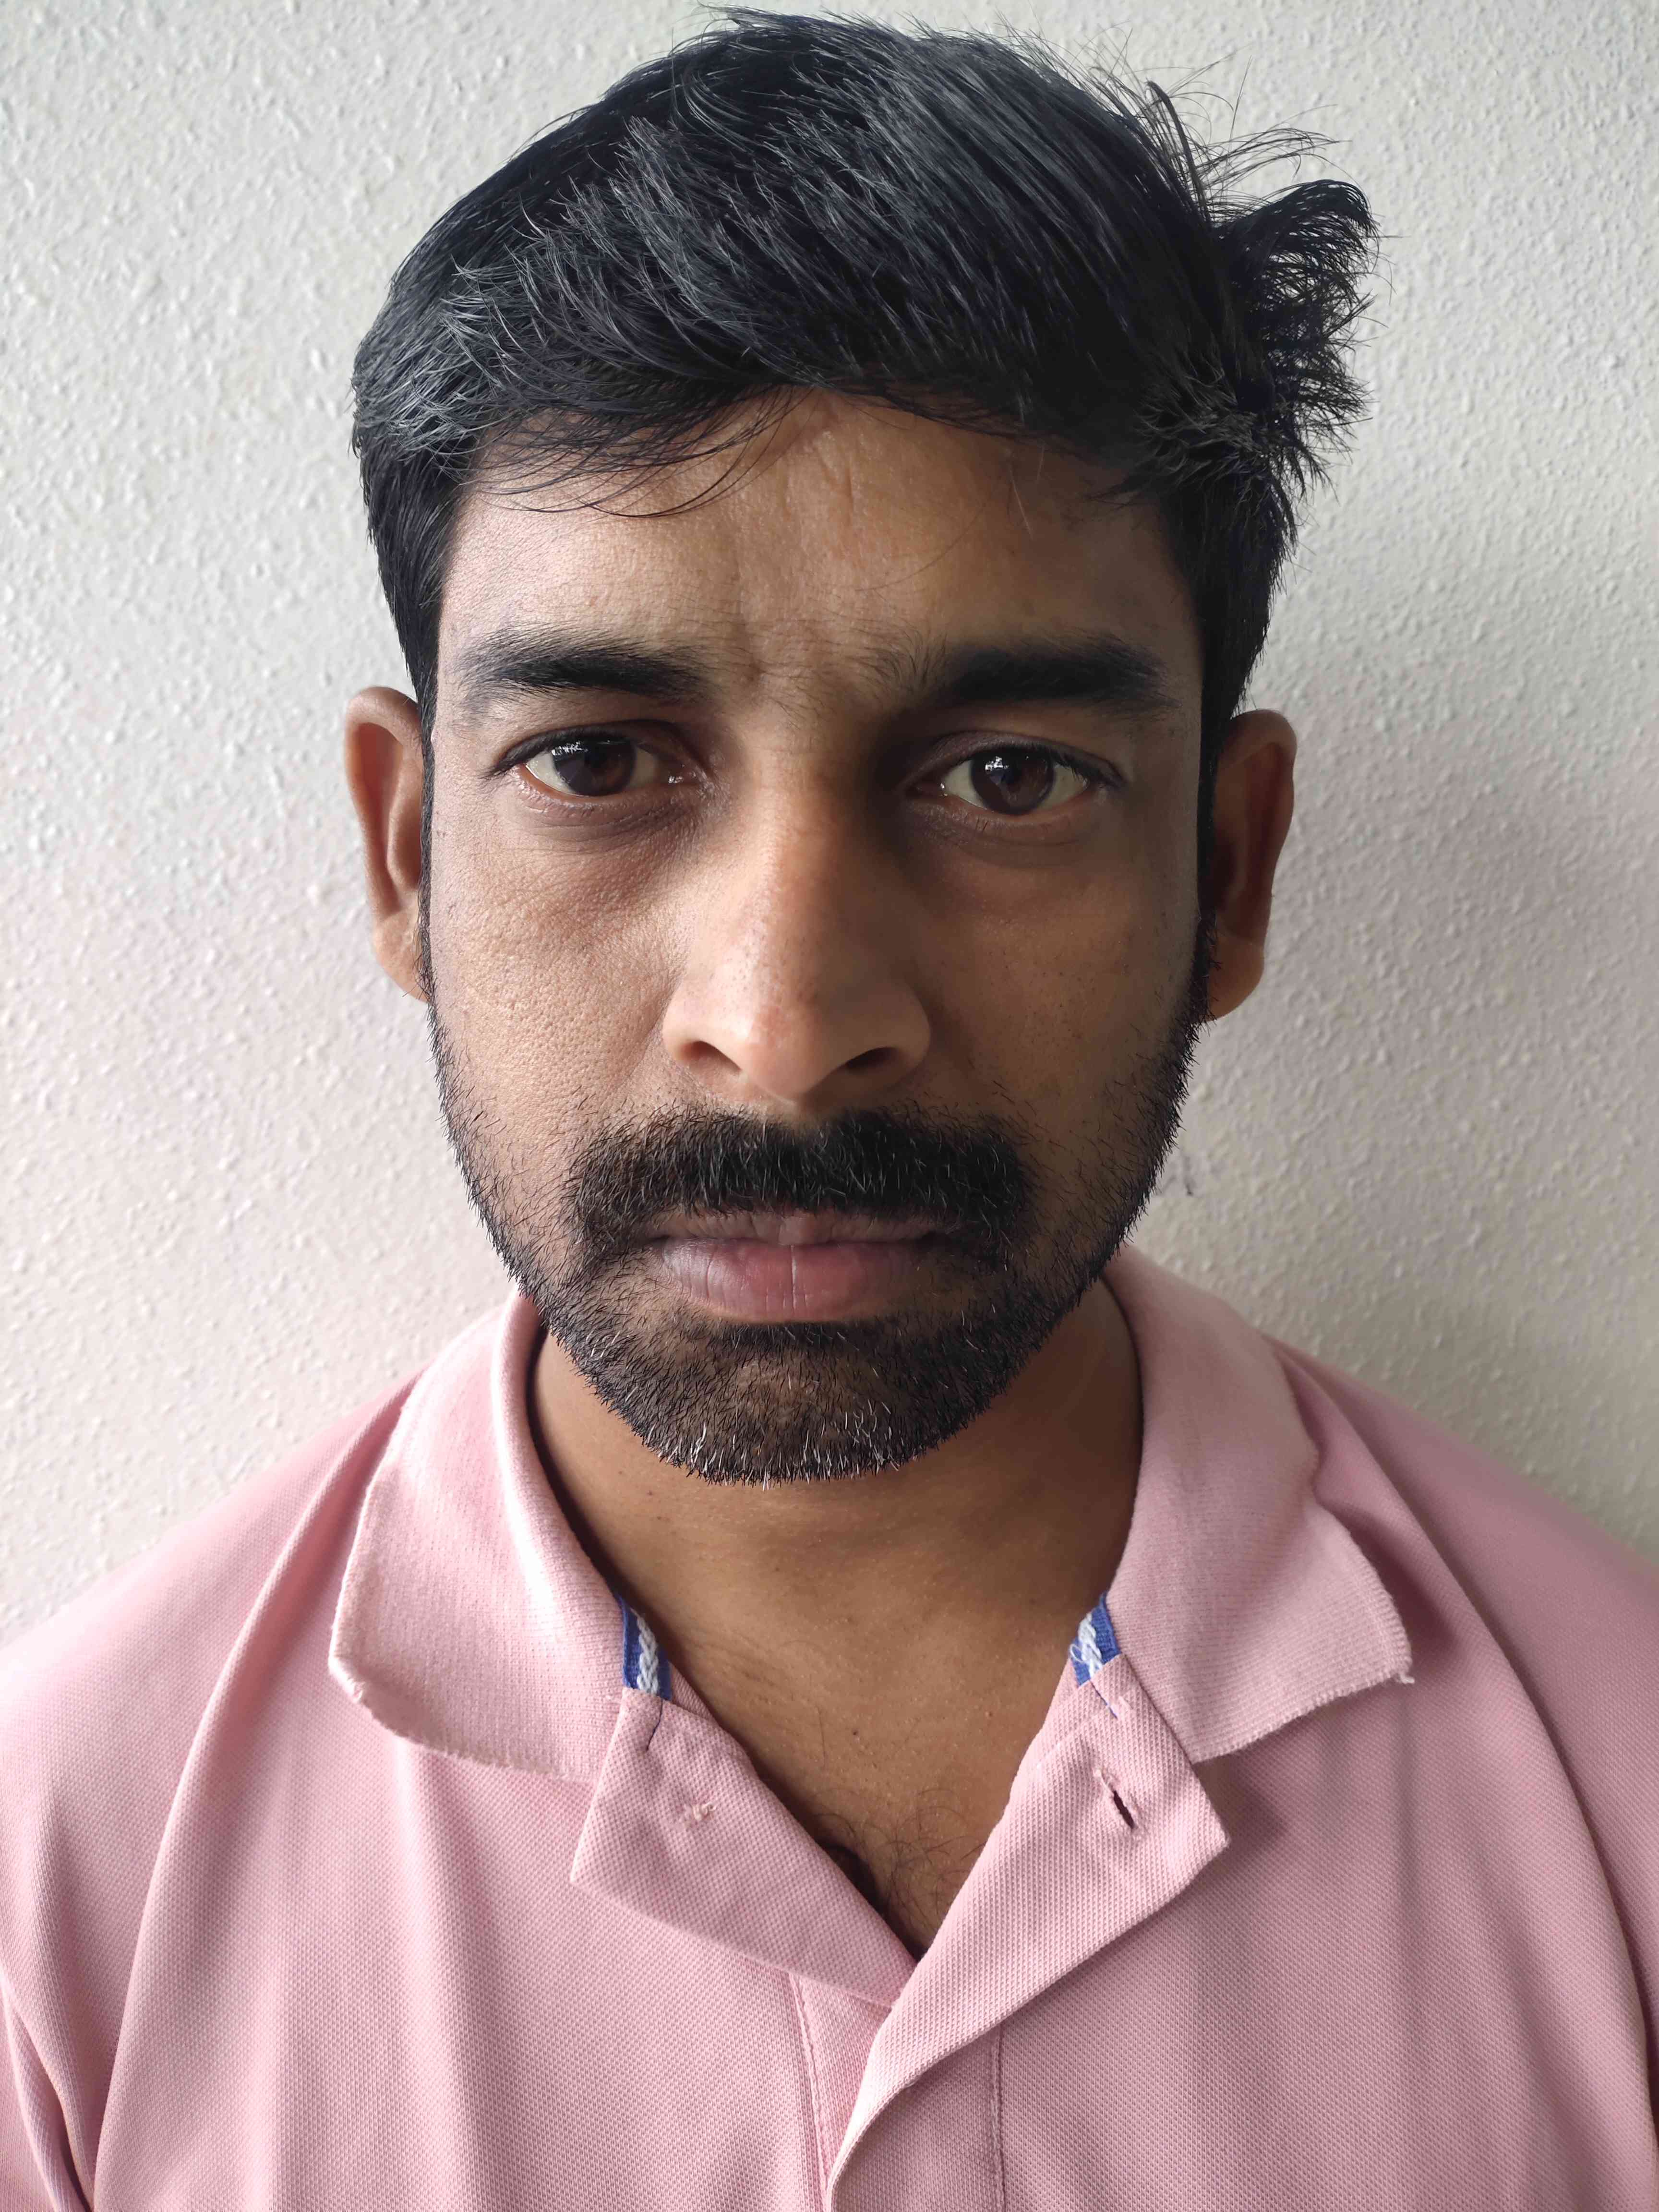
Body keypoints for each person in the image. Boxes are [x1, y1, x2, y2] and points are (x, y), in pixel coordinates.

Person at [2, 14, 1654, 2208]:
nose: (784, 1029)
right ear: (404, 855)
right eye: (598, 761)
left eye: (1008, 778)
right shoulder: (56, 1908)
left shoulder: (1630, 1799)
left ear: (1230, 869)